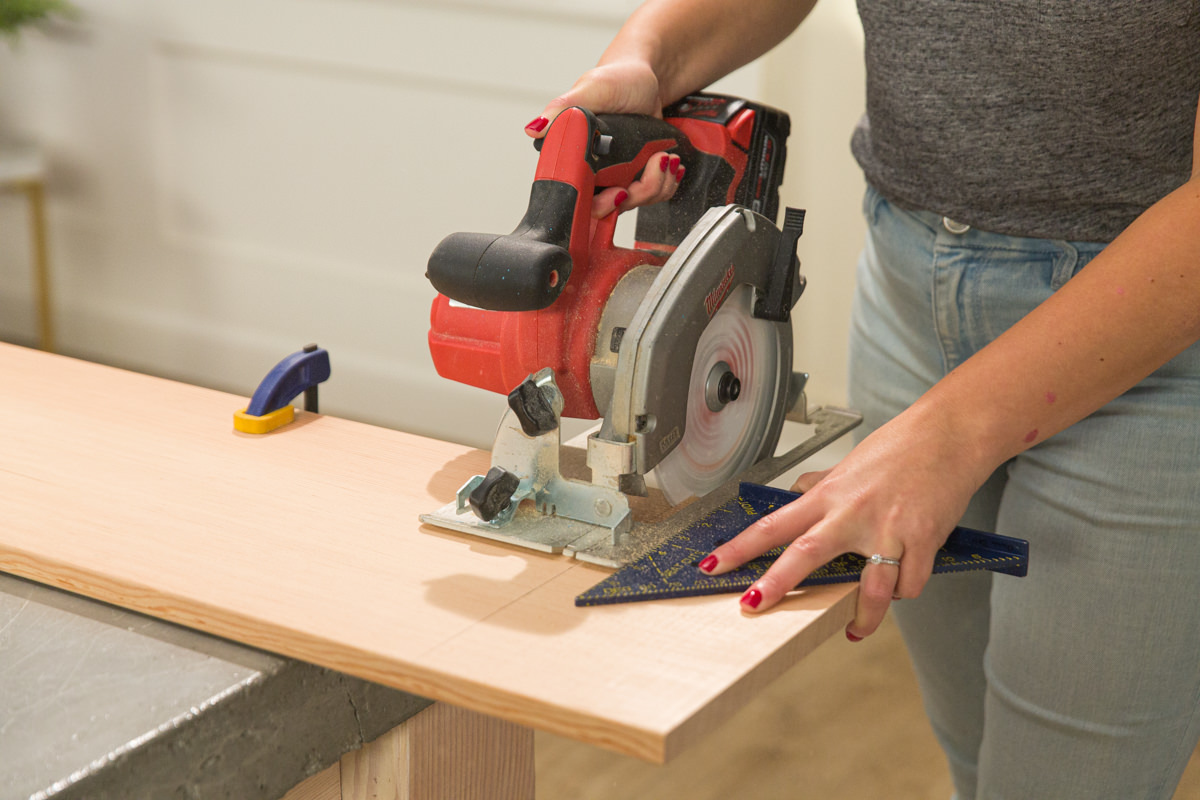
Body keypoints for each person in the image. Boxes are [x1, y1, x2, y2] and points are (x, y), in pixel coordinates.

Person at [525, 1, 1200, 798]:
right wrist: (651, 58)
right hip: (908, 291)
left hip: (1148, 336)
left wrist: (948, 437)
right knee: (979, 756)